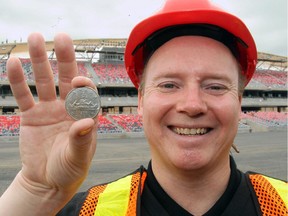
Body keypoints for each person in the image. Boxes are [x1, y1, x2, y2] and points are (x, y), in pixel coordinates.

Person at [0, 0, 287, 215]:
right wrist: (35, 191)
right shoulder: (91, 211)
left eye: (215, 86)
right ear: (140, 102)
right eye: (168, 85)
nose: (192, 105)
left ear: (239, 103)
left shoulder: (281, 205)